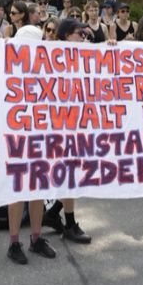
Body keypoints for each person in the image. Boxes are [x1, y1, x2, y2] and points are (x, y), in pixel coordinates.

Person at [4, 25, 58, 265]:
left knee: (38, 189)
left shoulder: (49, 66)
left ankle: (36, 238)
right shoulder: (10, 69)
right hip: (18, 137)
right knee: (17, 190)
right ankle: (14, 242)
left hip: (43, 135)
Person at [40, 18, 95, 244]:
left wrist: (110, 45)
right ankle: (69, 223)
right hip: (61, 124)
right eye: (79, 34)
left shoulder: (84, 54)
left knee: (79, 171)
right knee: (72, 172)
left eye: (84, 35)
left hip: (80, 121)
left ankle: (53, 213)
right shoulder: (50, 55)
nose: (83, 38)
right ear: (65, 36)